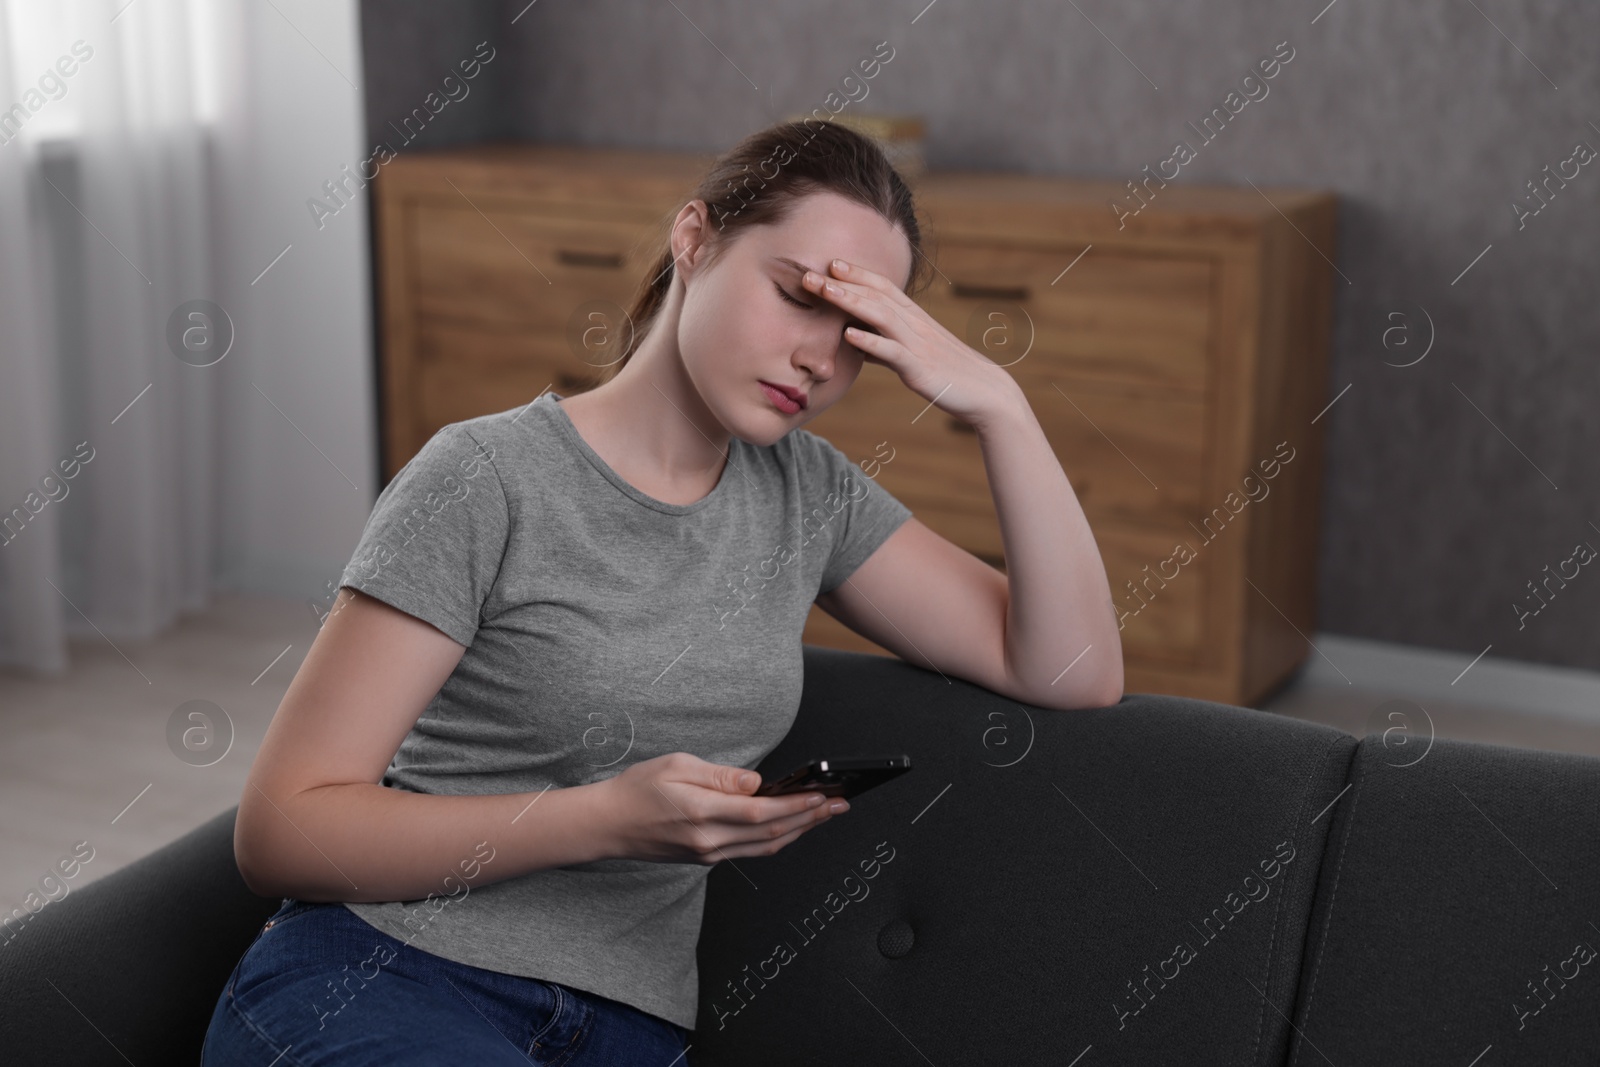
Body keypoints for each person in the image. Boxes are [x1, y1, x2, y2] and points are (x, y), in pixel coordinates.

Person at [202, 118, 1123, 1065]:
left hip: (628, 1030)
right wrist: (602, 818)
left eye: (860, 337)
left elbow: (1073, 669)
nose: (821, 359)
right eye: (798, 296)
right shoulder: (487, 476)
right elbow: (282, 828)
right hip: (390, 973)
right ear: (695, 240)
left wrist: (999, 405)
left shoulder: (811, 497)